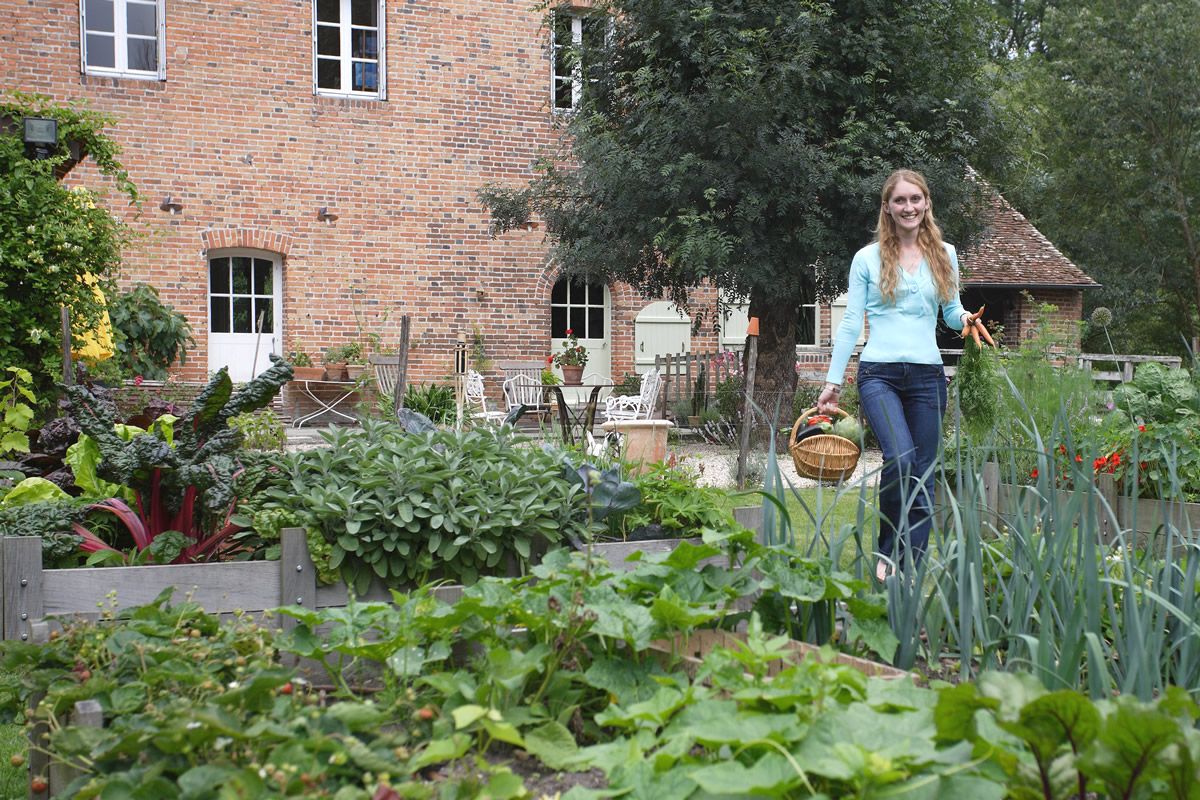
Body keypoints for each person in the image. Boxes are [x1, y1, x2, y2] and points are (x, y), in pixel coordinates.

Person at [816, 169, 991, 582]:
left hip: (929, 377)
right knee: (901, 459)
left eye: (915, 199)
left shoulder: (944, 254)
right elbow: (849, 323)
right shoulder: (868, 258)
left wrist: (964, 317)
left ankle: (910, 566)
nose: (908, 207)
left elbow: (949, 310)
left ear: (926, 203)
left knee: (925, 473)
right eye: (900, 201)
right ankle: (888, 550)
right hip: (880, 375)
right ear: (888, 208)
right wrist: (832, 380)